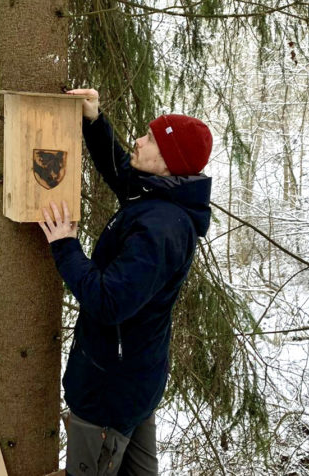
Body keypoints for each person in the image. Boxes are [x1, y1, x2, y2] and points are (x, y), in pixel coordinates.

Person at [38, 88, 212, 476]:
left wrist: (65, 246)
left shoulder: (160, 227)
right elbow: (123, 172)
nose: (138, 139)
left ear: (169, 165)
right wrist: (94, 120)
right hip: (133, 384)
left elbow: (109, 300)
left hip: (108, 396)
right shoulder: (161, 200)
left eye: (150, 140)